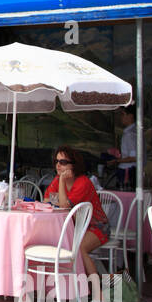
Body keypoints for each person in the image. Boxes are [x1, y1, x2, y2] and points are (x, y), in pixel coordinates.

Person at [44, 145, 110, 279]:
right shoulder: (57, 180)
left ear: (74, 165)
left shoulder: (82, 182)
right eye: (56, 161)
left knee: (79, 249)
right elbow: (46, 200)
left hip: (97, 226)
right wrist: (60, 196)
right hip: (75, 227)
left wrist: (61, 181)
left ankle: (98, 290)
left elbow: (64, 206)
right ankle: (69, 286)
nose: (58, 165)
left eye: (63, 162)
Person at [100, 107, 138, 189]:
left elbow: (135, 157)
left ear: (130, 116)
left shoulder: (130, 134)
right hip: (127, 170)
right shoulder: (131, 132)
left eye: (122, 114)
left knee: (126, 196)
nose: (120, 117)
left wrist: (116, 160)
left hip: (128, 171)